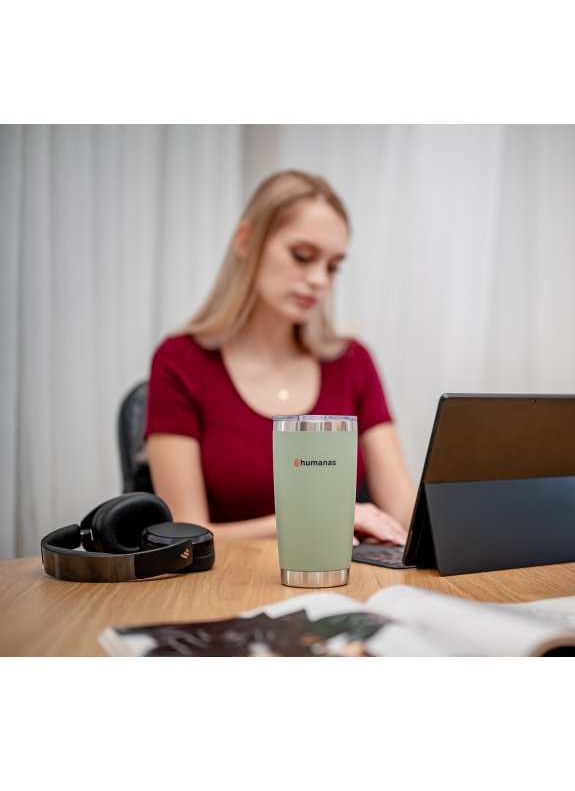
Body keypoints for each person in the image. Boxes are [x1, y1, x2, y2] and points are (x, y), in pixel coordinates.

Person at [145, 171, 415, 544]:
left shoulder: (353, 362)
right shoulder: (180, 361)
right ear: (247, 241)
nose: (320, 280)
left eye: (332, 266)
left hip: (337, 573)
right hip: (230, 580)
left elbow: (403, 511)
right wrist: (317, 518)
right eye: (303, 257)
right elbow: (185, 535)